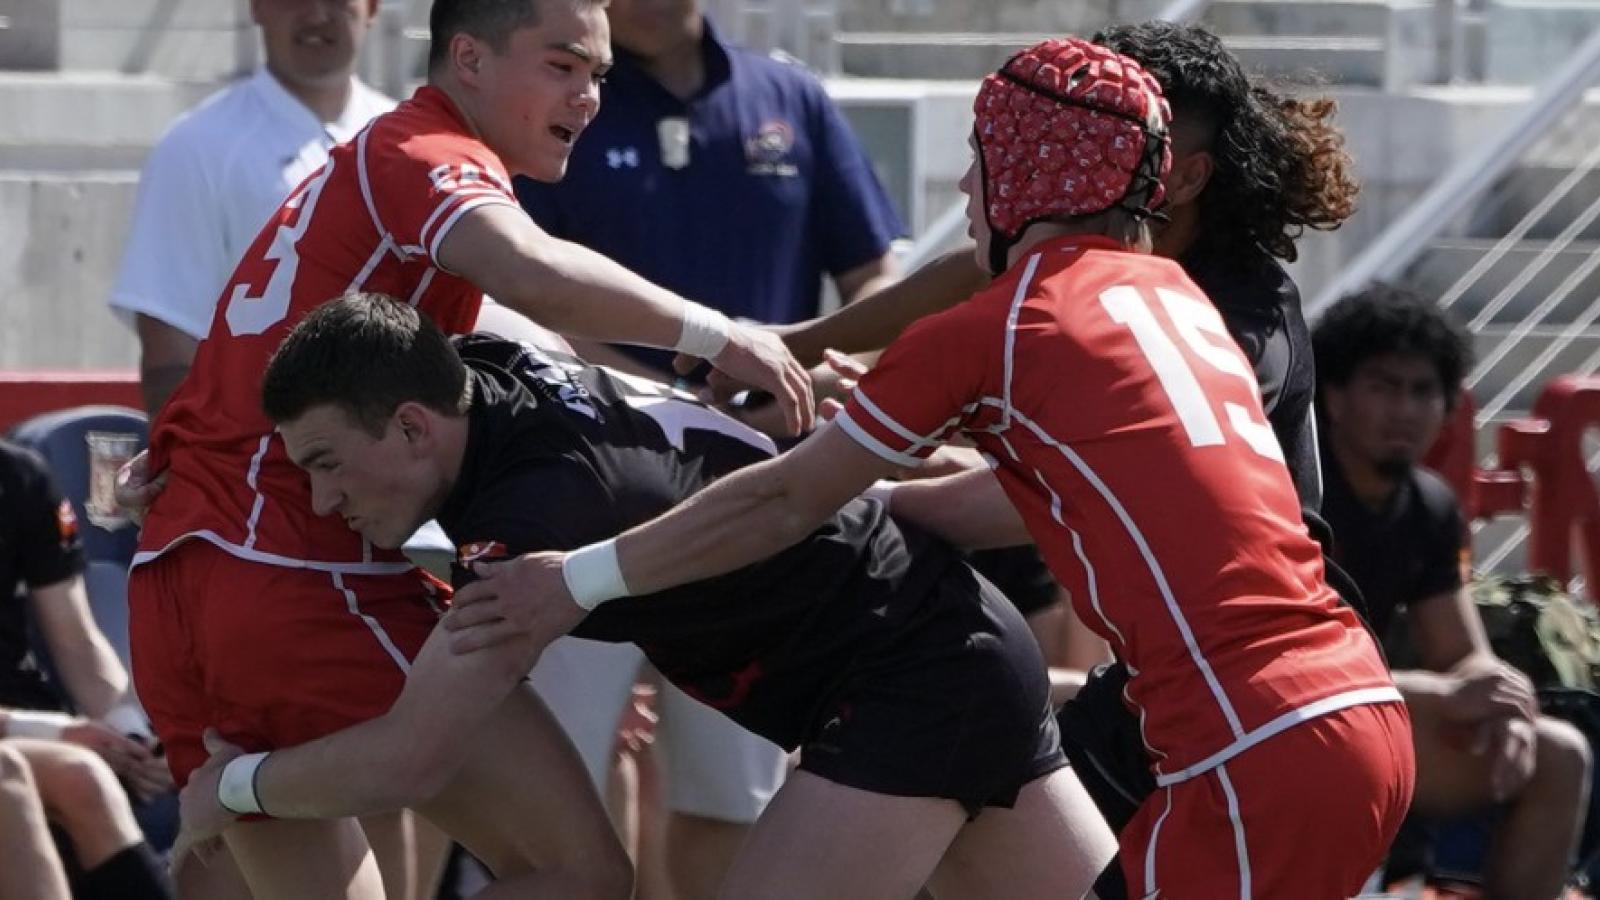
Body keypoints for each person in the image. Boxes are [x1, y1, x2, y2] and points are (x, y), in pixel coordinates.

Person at [451, 37, 1416, 897]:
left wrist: (577, 577)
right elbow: (1048, 471)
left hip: (1254, 743)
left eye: (977, 160)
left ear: (1024, 177)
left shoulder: (997, 331)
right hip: (1341, 703)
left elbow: (786, 499)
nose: (963, 191)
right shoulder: (1176, 291)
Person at [123, 0, 811, 895]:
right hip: (292, 565)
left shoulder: (369, 178)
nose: (589, 97)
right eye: (563, 66)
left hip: (182, 573)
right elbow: (533, 274)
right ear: (469, 59)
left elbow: (534, 335)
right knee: (579, 872)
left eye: (599, 75)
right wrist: (716, 332)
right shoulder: (422, 151)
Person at [174, 290, 1116, 900]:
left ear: (414, 427)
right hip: (958, 640)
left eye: (329, 465)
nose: (324, 498)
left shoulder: (525, 537)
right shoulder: (490, 362)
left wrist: (234, 788)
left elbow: (407, 762)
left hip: (912, 682)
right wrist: (178, 465)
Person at [512, 0, 903, 889]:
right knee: (561, 799)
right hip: (584, 492)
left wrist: (823, 362)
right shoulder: (561, 100)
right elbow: (526, 290)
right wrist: (685, 392)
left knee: (737, 796)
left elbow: (876, 272)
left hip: (756, 505)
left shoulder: (790, 97)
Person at [1315, 285, 1593, 900]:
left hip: (1371, 715)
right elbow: (1274, 662)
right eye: (1384, 387)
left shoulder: (1432, 507)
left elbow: (1460, 652)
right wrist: (1436, 689)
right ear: (1333, 397)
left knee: (1558, 752)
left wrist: (1505, 700)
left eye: (1423, 391)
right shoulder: (1291, 490)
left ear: (1447, 410)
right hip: (1272, 719)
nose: (1405, 409)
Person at [109, 0, 396, 416]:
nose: (316, 14)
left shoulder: (412, 142)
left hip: (406, 463)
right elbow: (170, 357)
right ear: (256, 7)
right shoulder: (196, 147)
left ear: (372, 7)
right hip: (260, 466)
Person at [0, 439, 172, 899]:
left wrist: (132, 737)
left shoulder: (17, 477)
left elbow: (76, 642)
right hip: (19, 734)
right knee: (39, 776)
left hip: (32, 719)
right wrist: (49, 733)